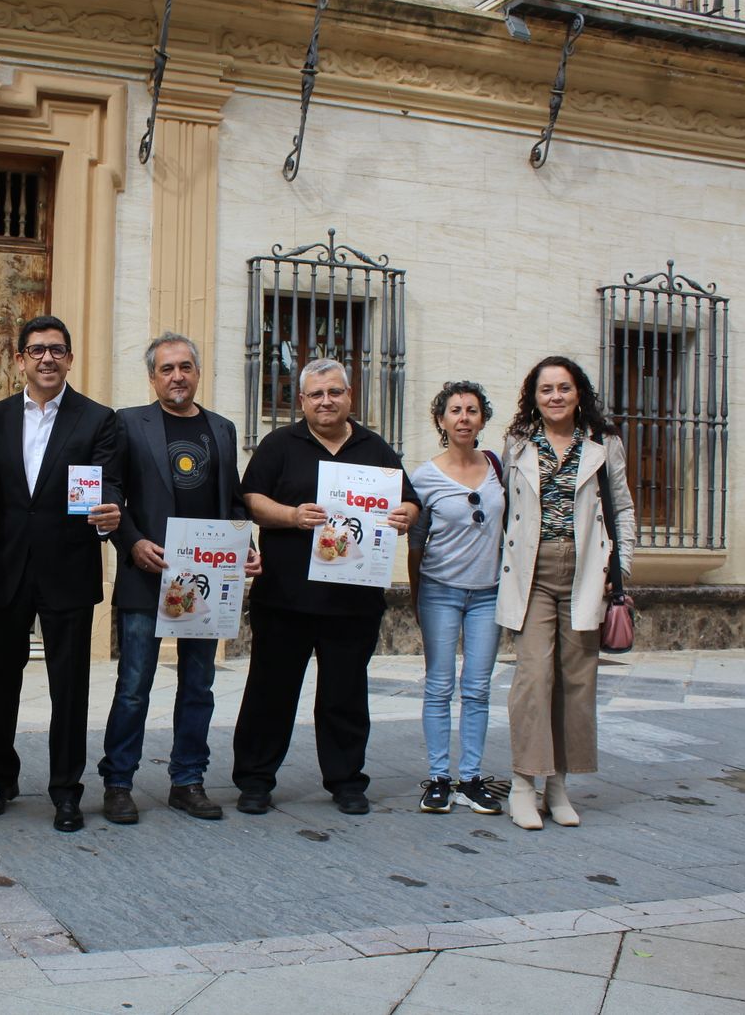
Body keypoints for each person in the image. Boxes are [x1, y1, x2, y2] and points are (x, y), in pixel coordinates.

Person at [232, 357, 418, 816]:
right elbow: (251, 500)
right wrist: (292, 516)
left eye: (334, 392)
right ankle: (255, 780)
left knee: (345, 695)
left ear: (350, 396)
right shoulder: (279, 445)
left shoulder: (376, 448)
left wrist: (403, 518)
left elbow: (410, 504)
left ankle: (346, 780)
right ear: (301, 401)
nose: (326, 401)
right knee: (270, 692)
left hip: (353, 600)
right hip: (285, 597)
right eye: (316, 394)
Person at [97, 333, 259, 825]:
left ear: (197, 372)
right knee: (133, 685)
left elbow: (232, 499)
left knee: (199, 685)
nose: (177, 376)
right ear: (152, 377)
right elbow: (110, 488)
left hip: (206, 579)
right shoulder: (127, 424)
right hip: (150, 573)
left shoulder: (222, 429)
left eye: (185, 367)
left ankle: (187, 780)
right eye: (166, 369)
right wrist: (131, 541)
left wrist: (246, 547)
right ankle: (118, 783)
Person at [0, 316, 122, 832]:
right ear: (19, 359)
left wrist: (111, 508)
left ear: (70, 358)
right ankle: (0, 778)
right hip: (4, 568)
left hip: (68, 567)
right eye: (36, 350)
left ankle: (66, 790)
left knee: (70, 686)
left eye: (57, 350)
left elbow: (110, 483)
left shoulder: (98, 419)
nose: (47, 359)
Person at [496, 356, 635, 830]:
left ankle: (558, 787)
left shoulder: (604, 444)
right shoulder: (516, 444)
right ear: (533, 397)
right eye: (545, 389)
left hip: (586, 572)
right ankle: (522, 784)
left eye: (564, 388)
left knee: (576, 682)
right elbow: (506, 509)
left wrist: (623, 568)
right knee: (534, 677)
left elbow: (624, 509)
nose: (555, 396)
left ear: (580, 394)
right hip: (531, 571)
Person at [407, 381, 505, 816]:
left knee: (479, 688)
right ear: (441, 421)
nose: (463, 417)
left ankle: (471, 777)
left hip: (489, 594)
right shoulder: (424, 477)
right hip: (440, 592)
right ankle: (440, 778)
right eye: (454, 411)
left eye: (471, 410)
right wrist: (416, 595)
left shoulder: (500, 468)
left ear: (482, 418)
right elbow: (415, 543)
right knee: (439, 686)